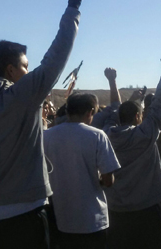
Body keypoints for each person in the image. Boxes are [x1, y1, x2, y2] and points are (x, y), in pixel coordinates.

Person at [0, 0, 87, 249]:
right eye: (25, 67)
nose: (29, 72)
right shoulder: (21, 96)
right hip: (22, 215)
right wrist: (73, 8)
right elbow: (56, 57)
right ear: (10, 70)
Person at [103, 55, 161, 249]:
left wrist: (112, 81)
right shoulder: (145, 135)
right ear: (138, 116)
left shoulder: (105, 136)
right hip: (146, 209)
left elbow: (113, 110)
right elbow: (160, 103)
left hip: (116, 210)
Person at [43, 93, 120, 249]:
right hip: (92, 219)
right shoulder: (97, 136)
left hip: (60, 217)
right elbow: (108, 180)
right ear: (90, 112)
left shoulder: (47, 136)